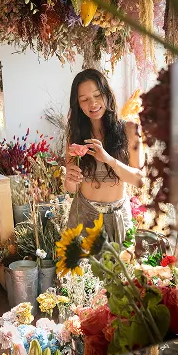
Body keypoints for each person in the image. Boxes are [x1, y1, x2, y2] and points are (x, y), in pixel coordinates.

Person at [63, 69, 145, 245]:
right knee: (82, 271)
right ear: (78, 104)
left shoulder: (130, 130)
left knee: (119, 270)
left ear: (107, 94)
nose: (92, 103)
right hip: (84, 213)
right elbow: (71, 188)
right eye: (84, 100)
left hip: (117, 216)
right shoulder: (75, 136)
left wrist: (109, 159)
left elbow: (140, 180)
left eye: (97, 95)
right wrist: (70, 178)